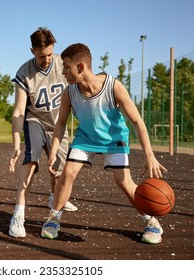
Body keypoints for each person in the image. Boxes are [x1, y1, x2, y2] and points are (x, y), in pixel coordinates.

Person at [40, 43, 168, 244]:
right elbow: (61, 123)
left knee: (124, 182)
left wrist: (149, 155)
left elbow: (137, 121)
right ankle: (53, 218)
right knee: (68, 172)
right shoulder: (69, 92)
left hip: (114, 140)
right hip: (86, 138)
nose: (62, 71)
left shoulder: (113, 86)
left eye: (66, 66)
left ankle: (151, 221)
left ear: (80, 67)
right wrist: (54, 150)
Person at [8, 28, 78, 238]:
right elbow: (20, 110)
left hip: (58, 124)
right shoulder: (24, 72)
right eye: (41, 56)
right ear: (32, 51)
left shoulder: (63, 64)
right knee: (31, 161)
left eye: (50, 54)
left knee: (59, 170)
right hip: (35, 120)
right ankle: (18, 215)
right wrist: (16, 143)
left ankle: (53, 196)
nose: (47, 60)